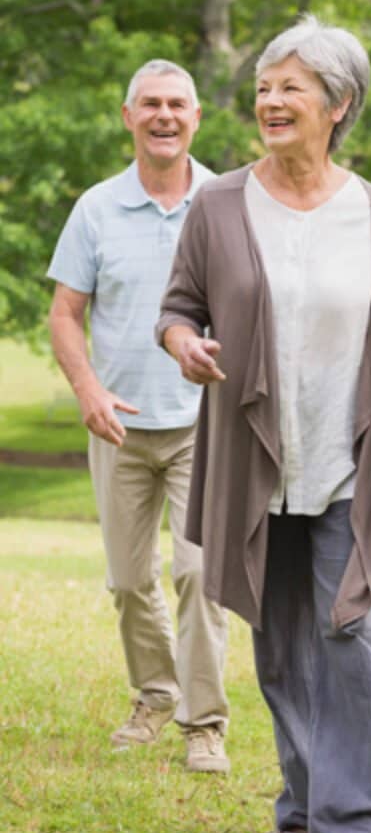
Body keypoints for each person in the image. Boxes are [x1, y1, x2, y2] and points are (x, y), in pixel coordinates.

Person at [156, 16, 371, 833]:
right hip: (254, 461)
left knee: (349, 633)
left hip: (347, 457)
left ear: (338, 103)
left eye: (292, 87)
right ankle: (308, 803)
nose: (272, 102)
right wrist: (183, 345)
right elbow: (179, 306)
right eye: (266, 87)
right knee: (279, 644)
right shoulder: (219, 204)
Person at [47, 59, 229, 773]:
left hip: (202, 424)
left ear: (196, 117)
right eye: (150, 104)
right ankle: (156, 695)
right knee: (129, 581)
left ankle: (203, 724)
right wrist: (87, 387)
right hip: (117, 425)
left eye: (177, 104)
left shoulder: (225, 201)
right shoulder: (95, 207)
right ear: (128, 117)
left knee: (200, 572)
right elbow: (65, 312)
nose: (164, 116)